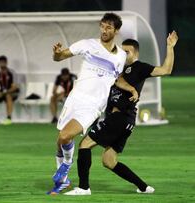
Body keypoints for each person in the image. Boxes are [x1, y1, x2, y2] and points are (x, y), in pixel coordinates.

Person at [70, 32, 178, 196]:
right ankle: (144, 187)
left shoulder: (140, 67)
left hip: (119, 118)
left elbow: (166, 70)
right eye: (123, 51)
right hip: (126, 121)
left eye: (127, 51)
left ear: (135, 52)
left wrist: (170, 47)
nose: (124, 54)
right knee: (109, 161)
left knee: (84, 145)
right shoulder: (118, 68)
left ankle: (83, 188)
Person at [48, 13, 139, 195]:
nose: (104, 30)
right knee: (61, 139)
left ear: (116, 30)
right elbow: (60, 57)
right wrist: (57, 54)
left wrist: (131, 89)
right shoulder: (87, 44)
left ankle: (66, 166)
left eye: (109, 28)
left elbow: (117, 78)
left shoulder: (121, 56)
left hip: (93, 105)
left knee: (66, 136)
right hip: (75, 98)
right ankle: (64, 180)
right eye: (102, 26)